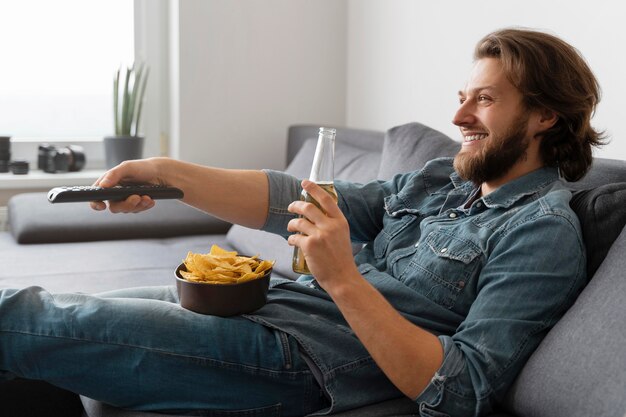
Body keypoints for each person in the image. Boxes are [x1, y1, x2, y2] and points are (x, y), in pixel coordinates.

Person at [0, 28, 605, 417]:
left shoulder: (539, 232)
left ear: (546, 115)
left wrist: (342, 276)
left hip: (299, 359)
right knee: (47, 318)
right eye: (464, 95)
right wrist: (166, 172)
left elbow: (461, 389)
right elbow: (296, 197)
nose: (459, 114)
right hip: (271, 306)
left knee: (26, 319)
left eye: (485, 100)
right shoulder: (443, 179)